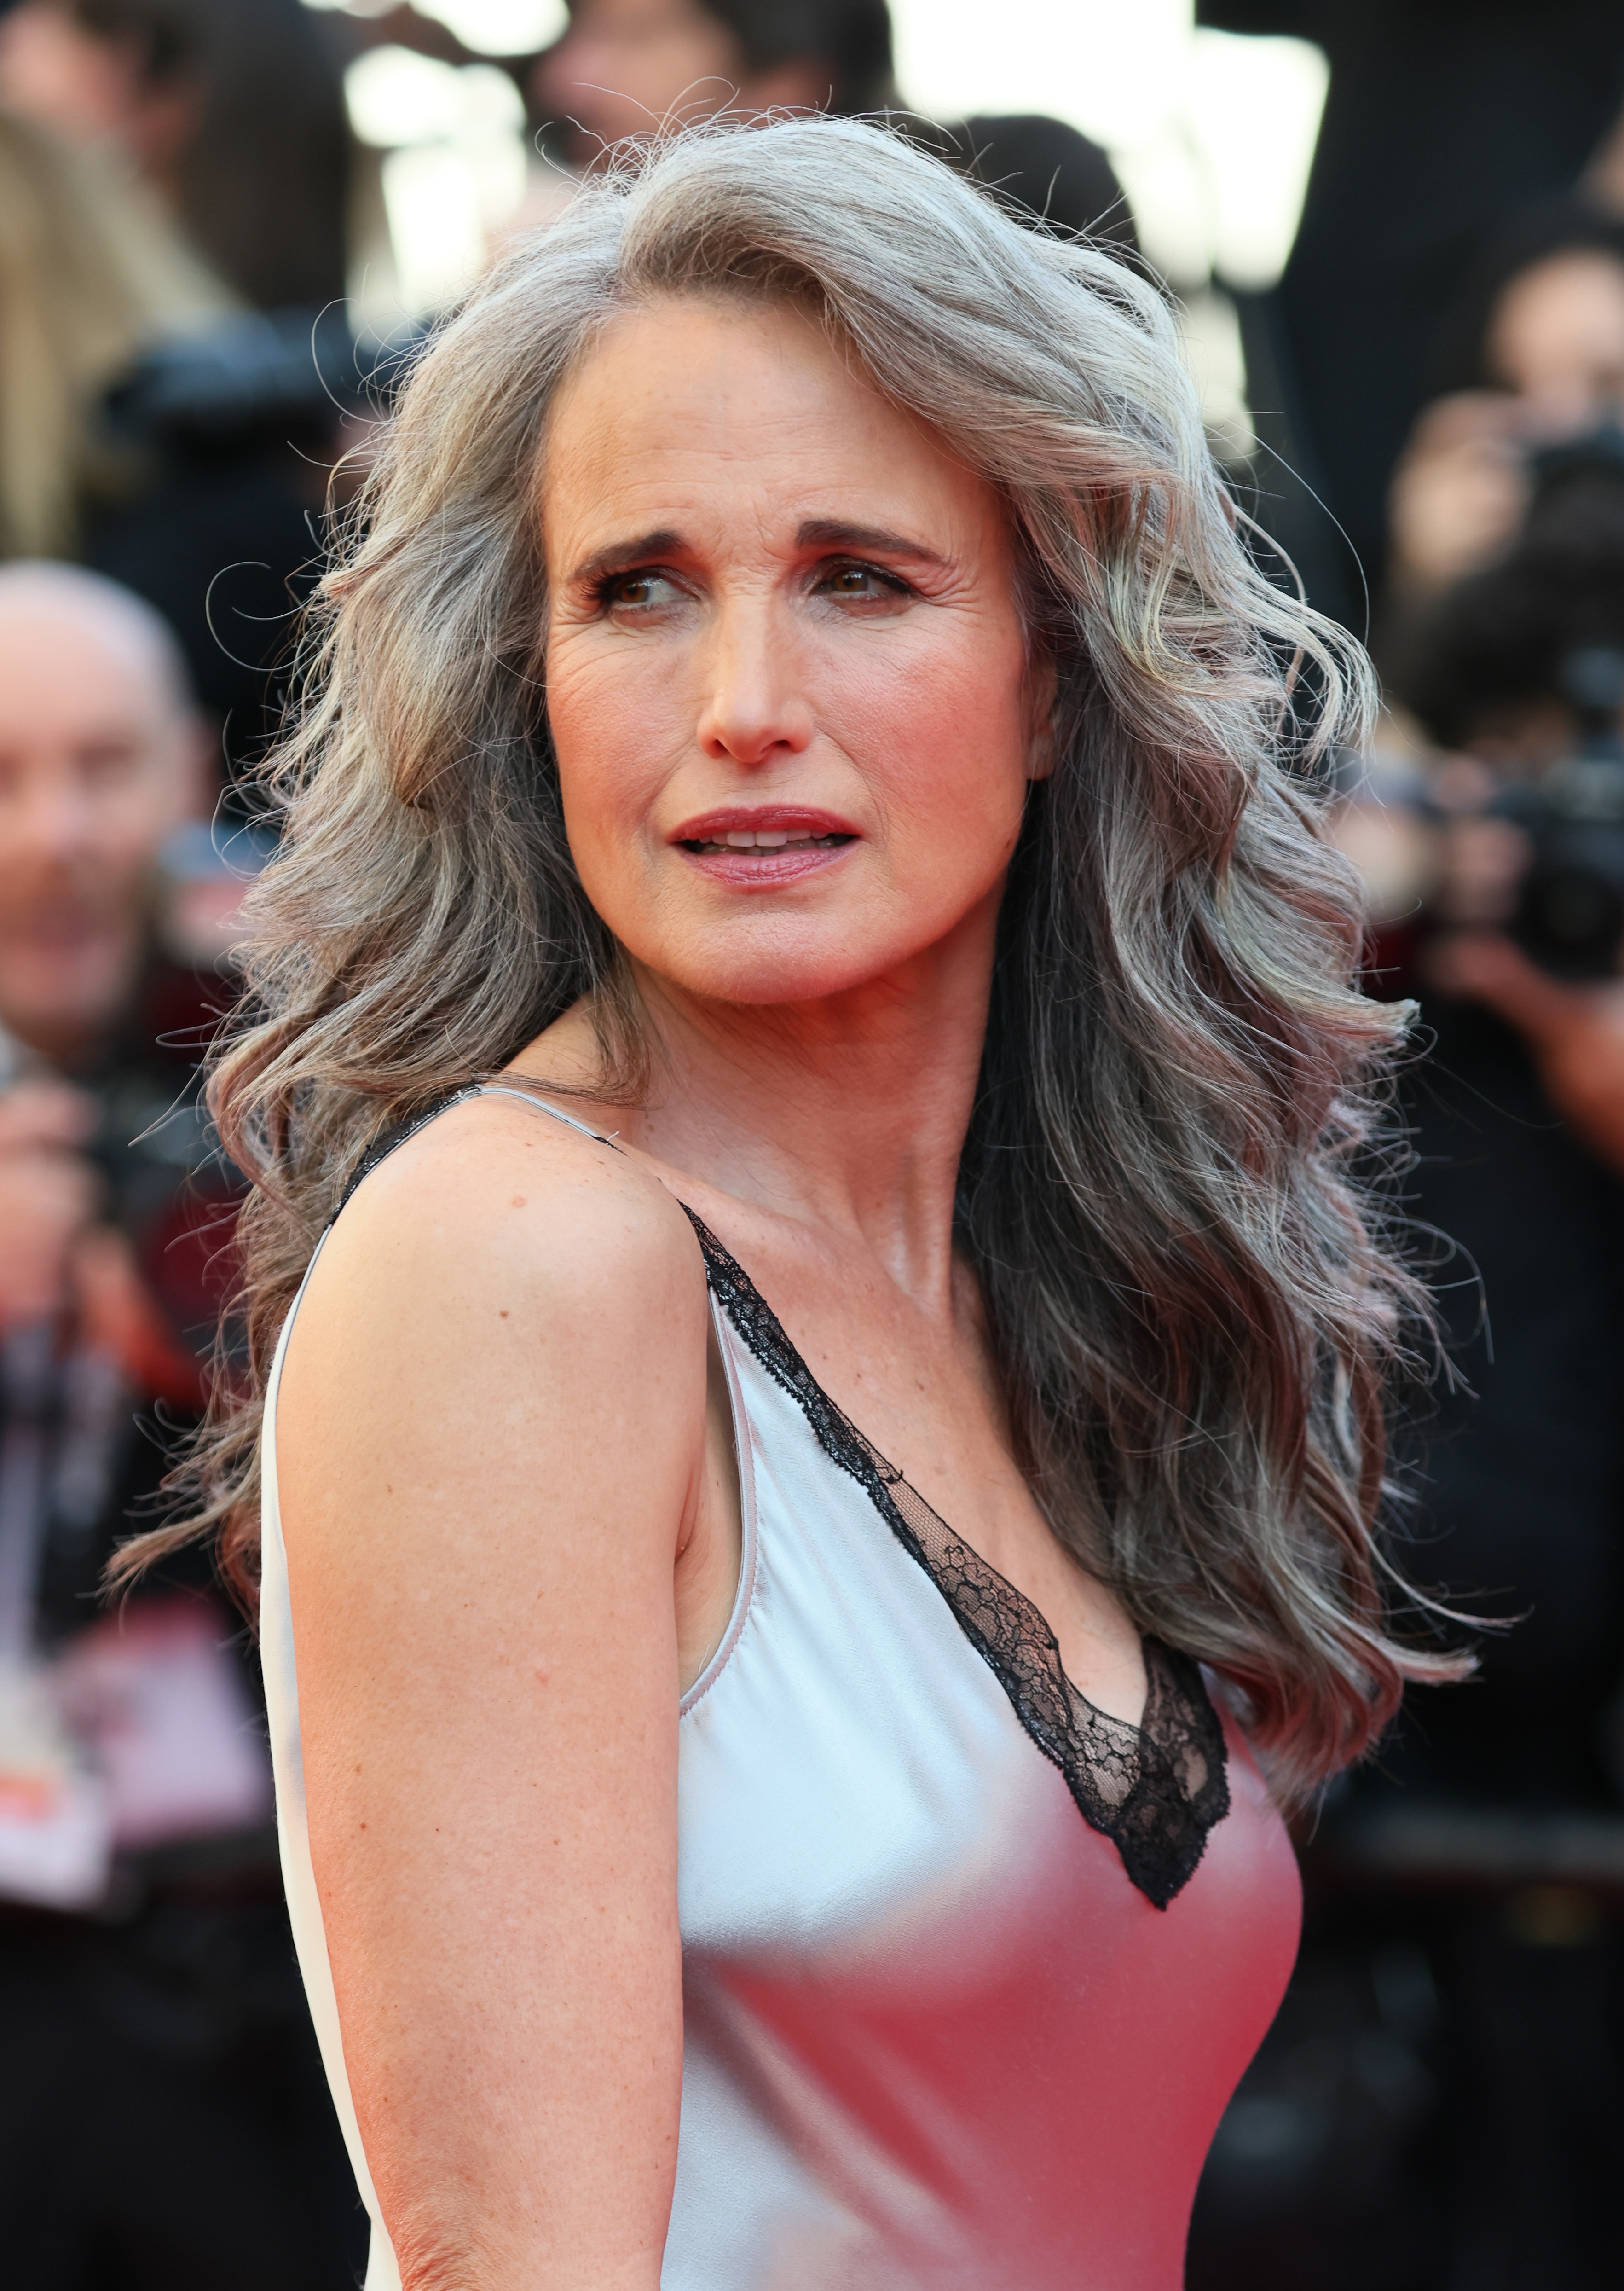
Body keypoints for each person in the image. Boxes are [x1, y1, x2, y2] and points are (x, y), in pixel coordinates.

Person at [146, 119, 1464, 2290]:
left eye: (859, 578)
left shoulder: (1050, 1281)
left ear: (1061, 674)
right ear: (525, 683)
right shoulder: (520, 1262)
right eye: (637, 589)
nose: (742, 709)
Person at [0, 561, 367, 2288]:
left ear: (191, 774)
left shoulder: (306, 1048)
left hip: (253, 1967)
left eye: (101, 767)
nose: (58, 831)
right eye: (0, 778)